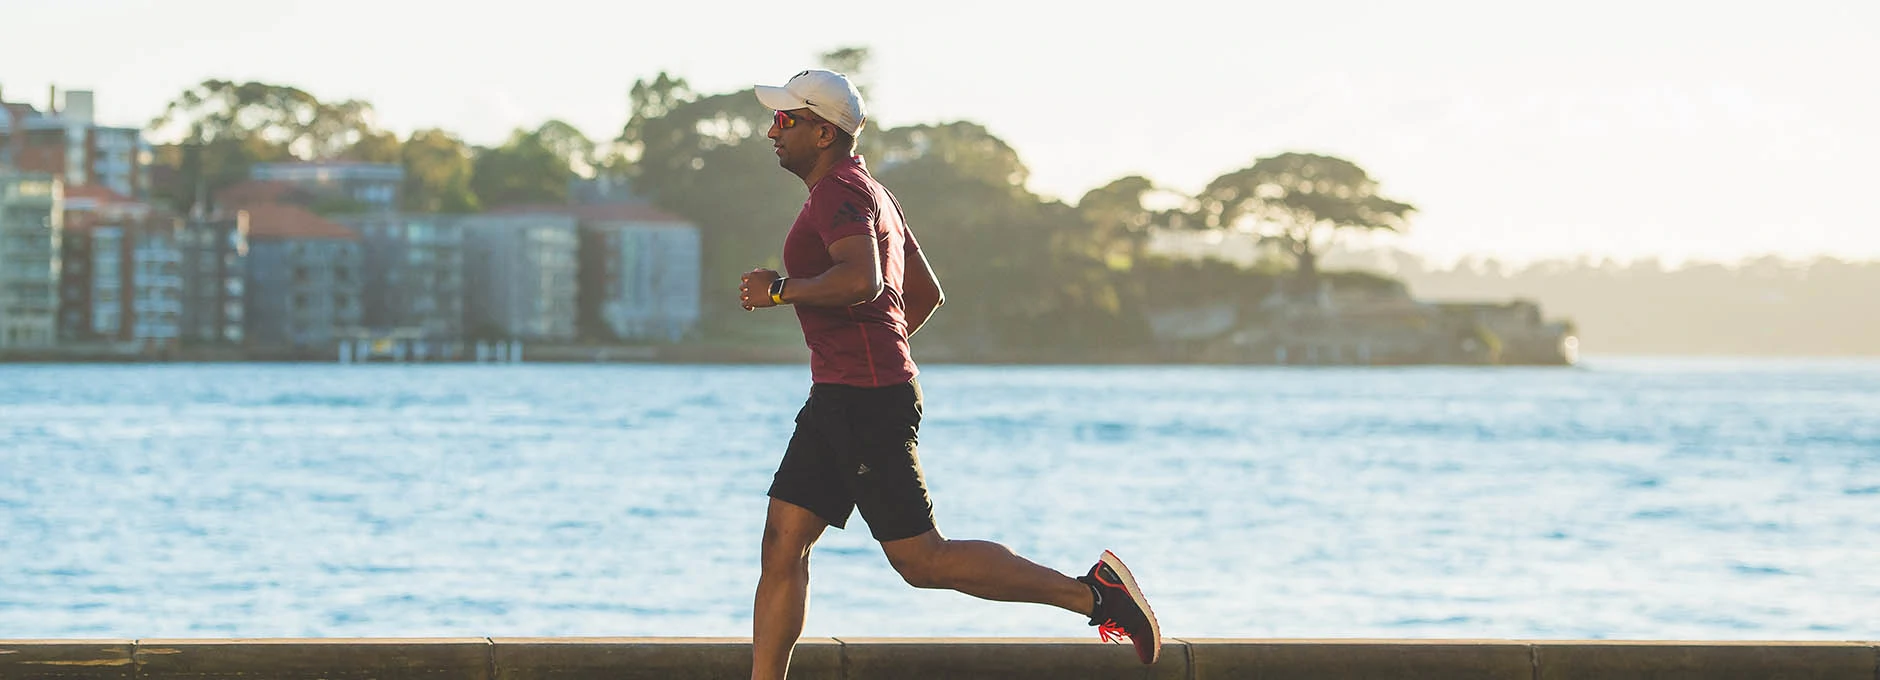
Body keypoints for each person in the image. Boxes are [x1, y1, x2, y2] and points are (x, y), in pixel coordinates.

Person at [735, 69, 1160, 680]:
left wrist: (780, 291)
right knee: (783, 541)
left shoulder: (839, 195)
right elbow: (925, 292)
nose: (771, 131)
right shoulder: (869, 191)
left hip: (862, 400)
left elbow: (864, 281)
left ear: (823, 132)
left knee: (921, 560)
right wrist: (874, 350)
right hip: (847, 394)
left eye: (786, 120)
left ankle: (1095, 595)